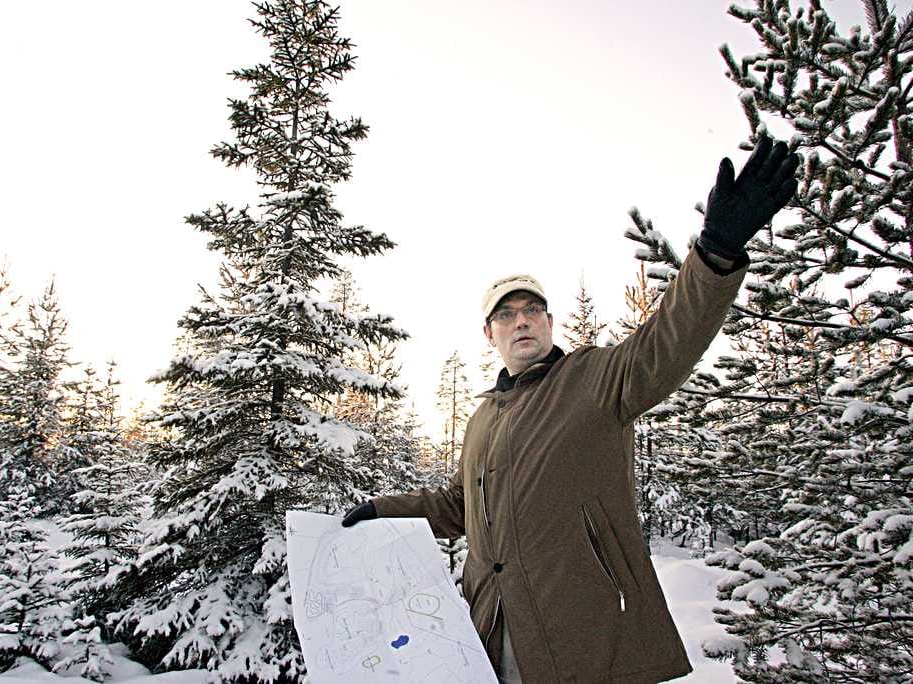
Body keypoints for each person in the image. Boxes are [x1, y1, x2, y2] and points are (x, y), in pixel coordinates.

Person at [342, 135, 800, 683]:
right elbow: (458, 507)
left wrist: (716, 253)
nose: (522, 321)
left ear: (549, 323)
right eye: (507, 315)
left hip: (587, 632)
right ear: (489, 334)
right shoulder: (485, 418)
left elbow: (665, 343)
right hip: (496, 628)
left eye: (533, 310)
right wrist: (379, 511)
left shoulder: (593, 379)